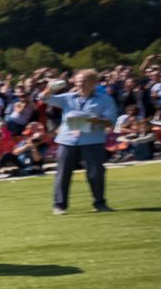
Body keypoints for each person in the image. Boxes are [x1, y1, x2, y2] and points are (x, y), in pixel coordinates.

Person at [42, 69, 117, 213]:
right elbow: (44, 98)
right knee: (63, 173)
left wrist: (98, 120)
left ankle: (100, 203)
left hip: (92, 140)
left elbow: (111, 121)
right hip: (67, 140)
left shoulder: (105, 99)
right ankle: (59, 205)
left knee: (96, 173)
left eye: (84, 81)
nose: (80, 84)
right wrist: (49, 88)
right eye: (78, 81)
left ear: (94, 83)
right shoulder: (68, 97)